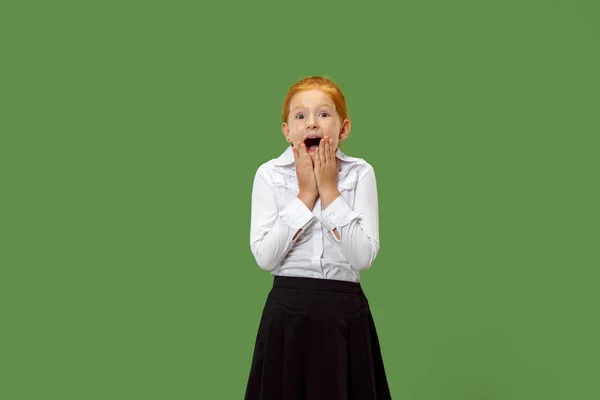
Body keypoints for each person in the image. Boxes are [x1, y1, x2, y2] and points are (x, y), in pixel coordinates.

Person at [244, 76, 391, 400]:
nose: (312, 122)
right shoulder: (269, 175)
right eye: (300, 116)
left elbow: (363, 258)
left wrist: (329, 190)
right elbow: (265, 258)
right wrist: (306, 195)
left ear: (343, 128)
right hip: (288, 313)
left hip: (344, 312)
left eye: (323, 114)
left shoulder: (360, 173)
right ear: (286, 131)